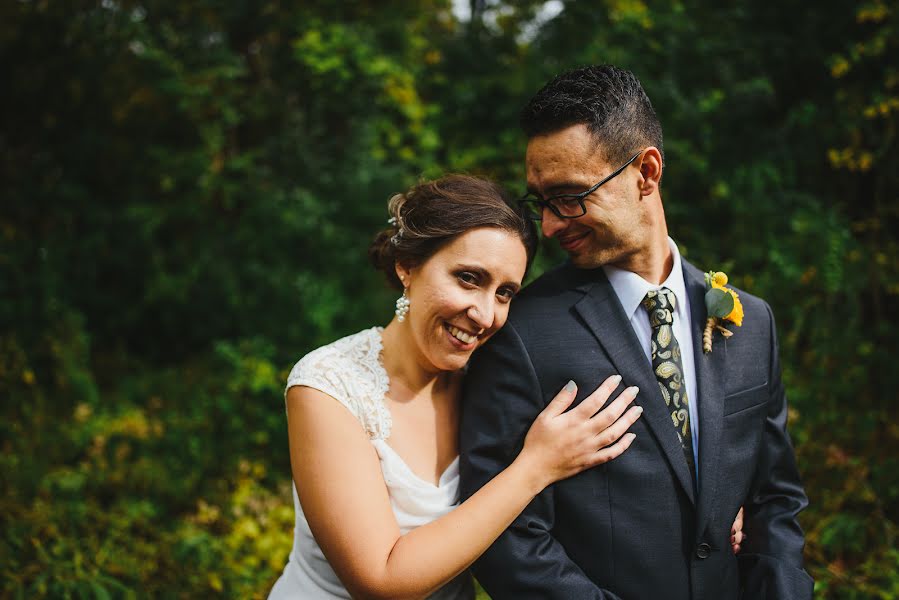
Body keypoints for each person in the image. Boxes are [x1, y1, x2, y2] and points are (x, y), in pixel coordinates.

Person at [459, 65, 813, 599]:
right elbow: (506, 537)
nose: (551, 226)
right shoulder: (520, 333)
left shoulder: (752, 322)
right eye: (540, 202)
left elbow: (775, 500)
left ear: (646, 173)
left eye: (570, 197)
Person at [267, 175, 646, 599]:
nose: (485, 314)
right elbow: (380, 580)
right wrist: (534, 467)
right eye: (468, 278)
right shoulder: (327, 385)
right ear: (407, 265)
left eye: (504, 293)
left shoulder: (488, 379)